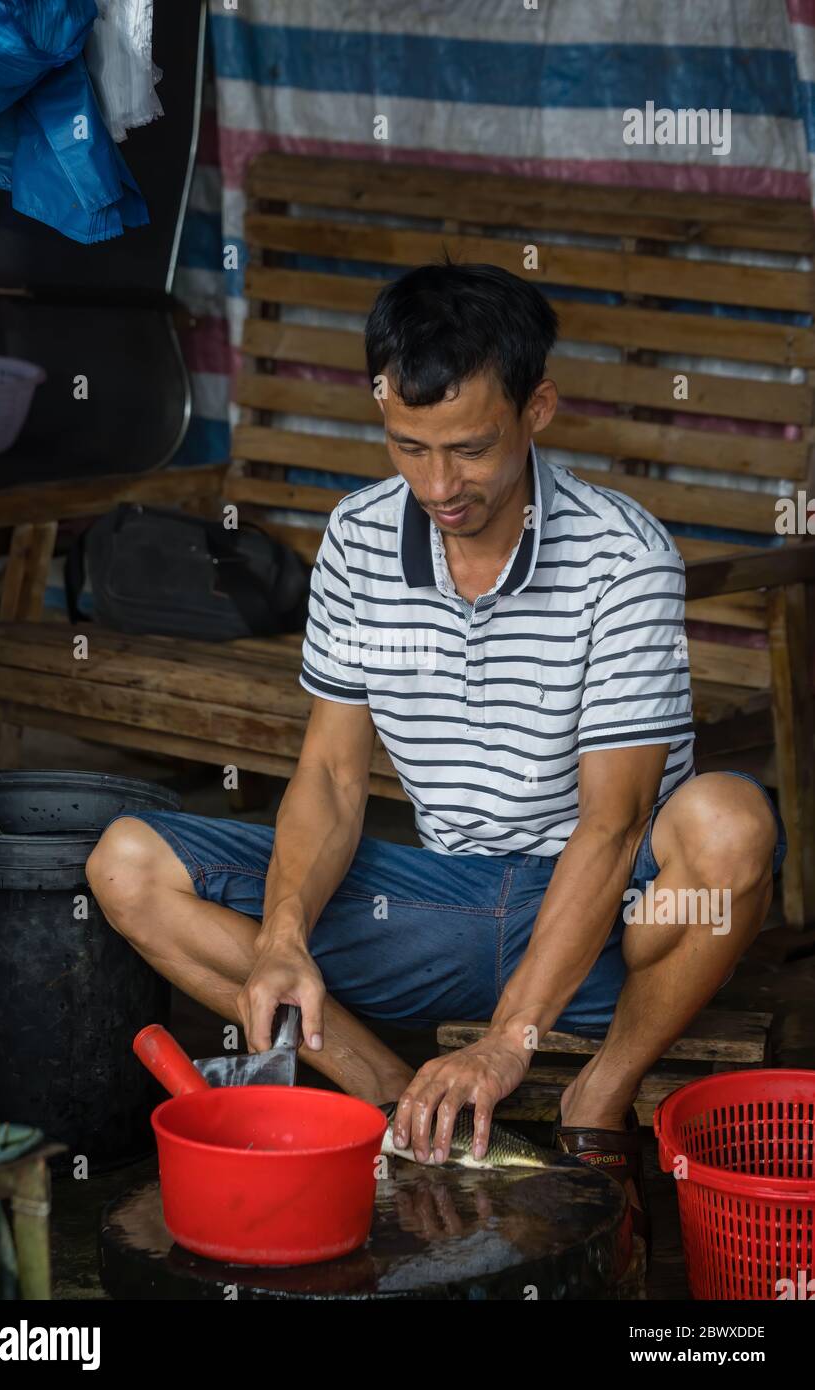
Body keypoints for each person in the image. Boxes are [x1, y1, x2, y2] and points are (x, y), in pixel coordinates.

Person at [87, 263, 785, 1241]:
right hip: (435, 904)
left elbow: (612, 821)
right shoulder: (359, 536)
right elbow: (331, 777)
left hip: (600, 918)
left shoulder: (623, 558)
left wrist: (509, 1040)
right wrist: (284, 937)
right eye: (407, 447)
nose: (437, 485)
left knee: (728, 822)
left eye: (468, 449)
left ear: (535, 408)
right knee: (124, 862)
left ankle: (596, 1101)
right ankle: (393, 1107)